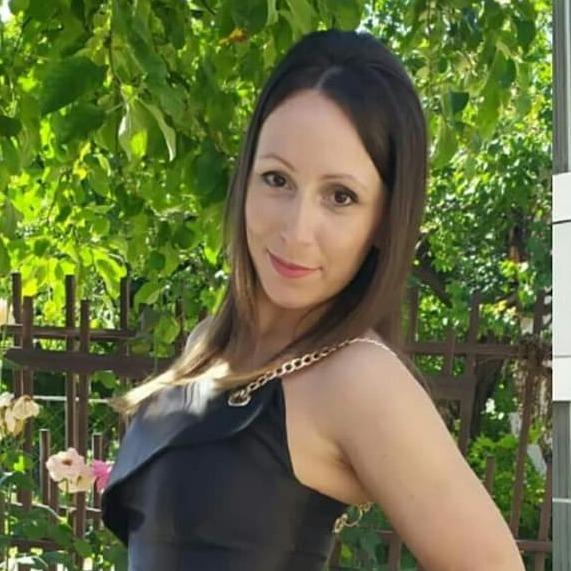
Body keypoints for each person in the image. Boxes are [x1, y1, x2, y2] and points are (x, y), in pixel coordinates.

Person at [101, 29, 525, 571]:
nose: (296, 231)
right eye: (276, 179)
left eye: (340, 196)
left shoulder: (358, 378)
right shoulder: (208, 343)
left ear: (383, 221)